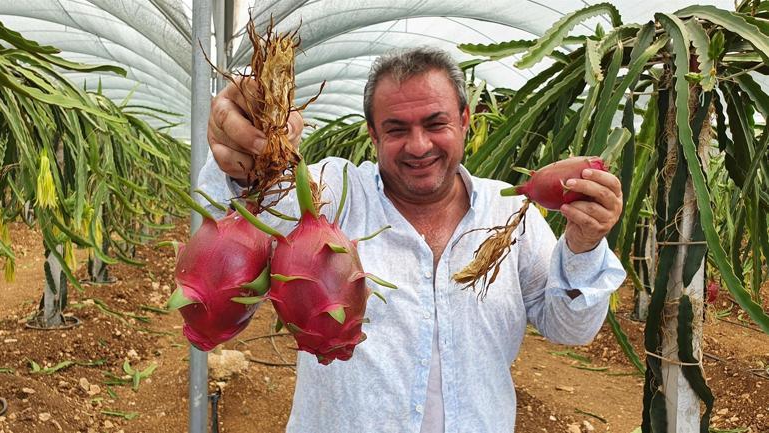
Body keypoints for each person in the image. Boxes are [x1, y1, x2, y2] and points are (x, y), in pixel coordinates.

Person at [199, 46, 626, 433]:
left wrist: (584, 245)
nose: (418, 145)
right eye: (397, 129)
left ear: (464, 119)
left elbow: (569, 329)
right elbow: (237, 217)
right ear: (373, 134)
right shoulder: (329, 195)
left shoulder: (510, 215)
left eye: (435, 123)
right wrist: (246, 159)